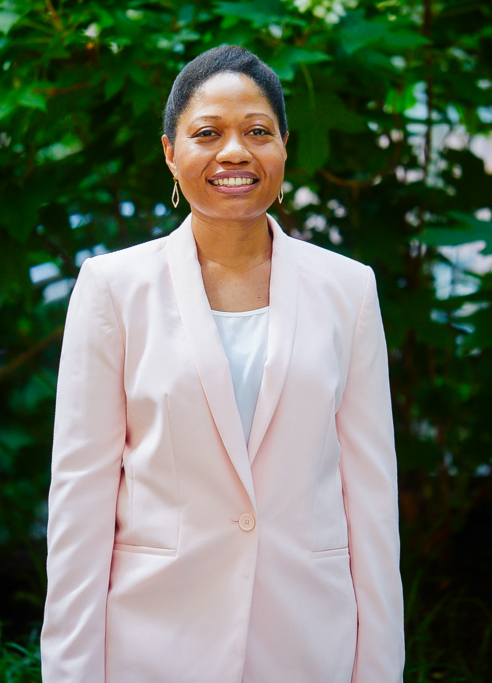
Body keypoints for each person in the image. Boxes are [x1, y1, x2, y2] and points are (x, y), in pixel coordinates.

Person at [40, 44, 404, 683]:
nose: (235, 152)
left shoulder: (349, 290)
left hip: (306, 644)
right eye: (207, 133)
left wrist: (377, 669)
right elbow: (80, 500)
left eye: (257, 132)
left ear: (284, 147)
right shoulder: (113, 288)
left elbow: (371, 500)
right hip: (153, 644)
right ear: (170, 153)